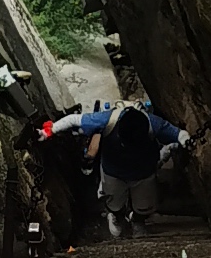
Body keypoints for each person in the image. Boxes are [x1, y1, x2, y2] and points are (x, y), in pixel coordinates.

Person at [39, 98, 184, 239]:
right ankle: (117, 217)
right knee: (114, 204)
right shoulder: (107, 120)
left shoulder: (154, 124)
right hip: (114, 172)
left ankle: (137, 221)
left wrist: (186, 140)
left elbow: (178, 134)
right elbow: (73, 120)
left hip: (143, 173)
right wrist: (48, 131)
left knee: (144, 206)